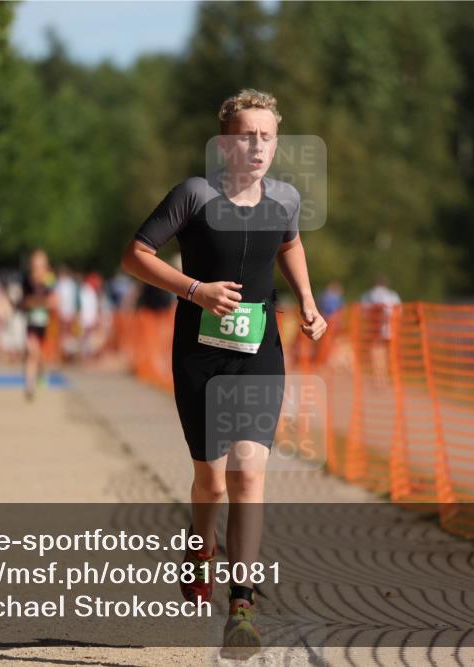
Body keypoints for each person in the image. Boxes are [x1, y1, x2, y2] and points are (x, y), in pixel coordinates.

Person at [121, 88, 327, 656]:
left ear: (276, 142)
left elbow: (290, 243)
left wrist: (307, 300)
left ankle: (242, 604)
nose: (256, 145)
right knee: (210, 482)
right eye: (245, 135)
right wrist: (195, 290)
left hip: (260, 348)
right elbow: (135, 255)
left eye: (266, 136)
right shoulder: (193, 194)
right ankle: (197, 545)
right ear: (224, 142)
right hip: (199, 352)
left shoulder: (285, 197)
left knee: (247, 473)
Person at [20, 250, 57, 399]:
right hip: (31, 323)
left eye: (40, 266)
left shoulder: (50, 281)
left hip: (46, 324)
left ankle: (41, 373)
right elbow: (24, 302)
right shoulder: (26, 281)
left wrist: (38, 303)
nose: (37, 269)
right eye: (35, 265)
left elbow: (53, 302)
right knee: (32, 352)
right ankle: (29, 385)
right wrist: (38, 302)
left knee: (39, 355)